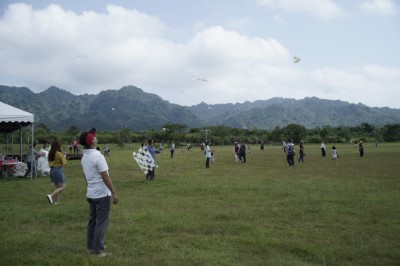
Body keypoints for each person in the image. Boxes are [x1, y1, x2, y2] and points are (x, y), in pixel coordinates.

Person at [80, 128, 118, 257]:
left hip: (91, 193)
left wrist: (90, 186)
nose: (96, 137)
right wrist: (113, 192)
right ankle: (98, 250)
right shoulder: (98, 156)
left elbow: (85, 176)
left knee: (92, 221)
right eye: (94, 137)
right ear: (93, 141)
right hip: (102, 195)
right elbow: (105, 176)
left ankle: (91, 245)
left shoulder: (84, 157)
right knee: (101, 222)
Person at [46, 140, 67, 205]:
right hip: (58, 170)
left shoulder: (50, 153)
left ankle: (56, 202)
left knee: (57, 187)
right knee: (63, 186)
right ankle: (51, 196)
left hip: (52, 170)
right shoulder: (59, 153)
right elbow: (64, 163)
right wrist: (64, 157)